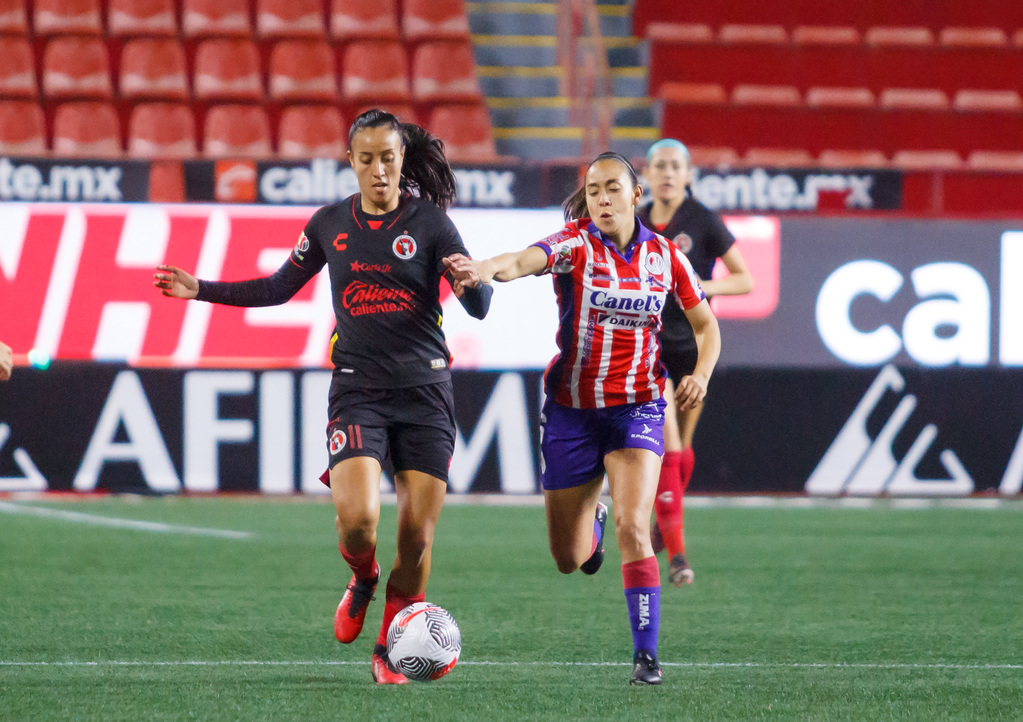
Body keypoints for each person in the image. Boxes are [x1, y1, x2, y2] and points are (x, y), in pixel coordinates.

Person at [153, 109, 493, 685]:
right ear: (352, 161)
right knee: (358, 521)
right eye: (368, 159)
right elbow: (277, 287)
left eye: (389, 158)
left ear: (402, 158)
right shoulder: (329, 223)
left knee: (418, 536)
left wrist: (471, 285)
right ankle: (362, 576)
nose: (380, 170)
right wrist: (200, 289)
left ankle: (389, 649)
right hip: (358, 388)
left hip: (427, 392)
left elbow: (479, 306)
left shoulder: (432, 225)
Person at [446, 151, 721, 685]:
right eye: (593, 190)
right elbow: (522, 260)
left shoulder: (667, 258)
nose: (601, 199)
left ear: (635, 194)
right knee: (569, 558)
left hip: (637, 408)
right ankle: (588, 525)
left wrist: (702, 375)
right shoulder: (575, 245)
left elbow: (707, 327)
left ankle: (646, 656)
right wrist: (482, 269)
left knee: (633, 527)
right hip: (572, 413)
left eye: (612, 188)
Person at [638, 139, 754, 587]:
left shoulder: (703, 220)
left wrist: (701, 286)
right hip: (651, 351)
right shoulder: (639, 220)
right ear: (646, 174)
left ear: (688, 175)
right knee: (669, 445)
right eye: (659, 165)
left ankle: (664, 527)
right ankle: (678, 554)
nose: (667, 173)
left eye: (676, 166)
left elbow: (744, 279)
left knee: (681, 450)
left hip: (694, 350)